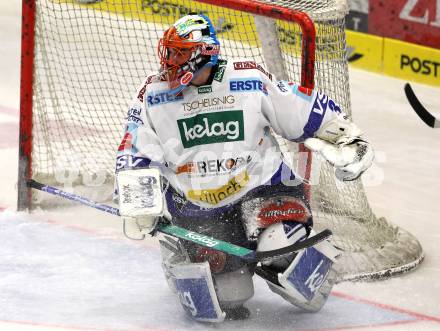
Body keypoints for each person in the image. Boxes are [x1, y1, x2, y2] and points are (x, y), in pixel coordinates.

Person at [114, 13, 374, 322]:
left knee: (289, 262)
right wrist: (139, 203)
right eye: (170, 53)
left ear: (204, 54)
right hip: (198, 208)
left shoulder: (246, 78)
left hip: (263, 189)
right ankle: (178, 249)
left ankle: (291, 251)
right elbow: (134, 150)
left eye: (181, 54)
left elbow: (297, 108)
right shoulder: (152, 94)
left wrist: (347, 139)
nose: (171, 62)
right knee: (229, 296)